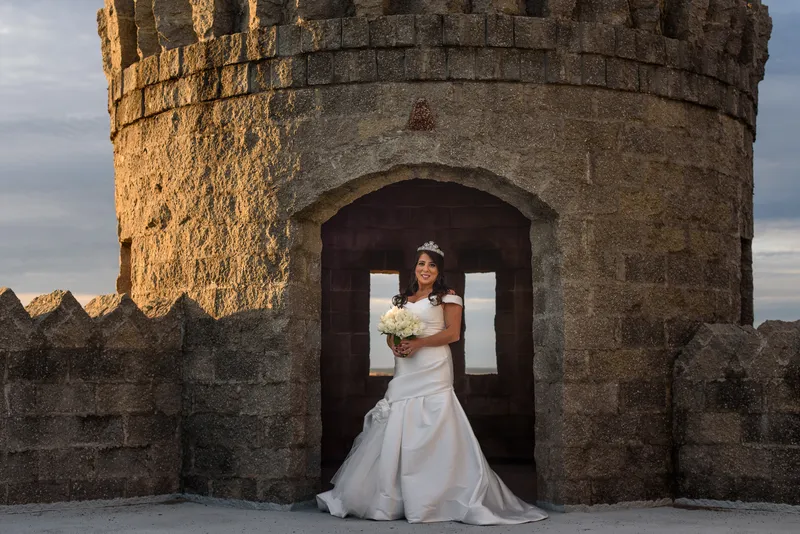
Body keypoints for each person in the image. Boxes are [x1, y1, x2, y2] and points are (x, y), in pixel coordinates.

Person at [316, 241, 548, 525]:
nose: (426, 269)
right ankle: (390, 497)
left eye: (432, 264)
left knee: (435, 421)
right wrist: (395, 345)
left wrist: (418, 343)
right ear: (415, 267)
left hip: (434, 366)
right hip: (405, 367)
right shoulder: (401, 300)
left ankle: (435, 496)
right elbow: (390, 332)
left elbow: (452, 334)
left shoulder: (447, 297)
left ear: (439, 270)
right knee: (398, 421)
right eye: (421, 263)